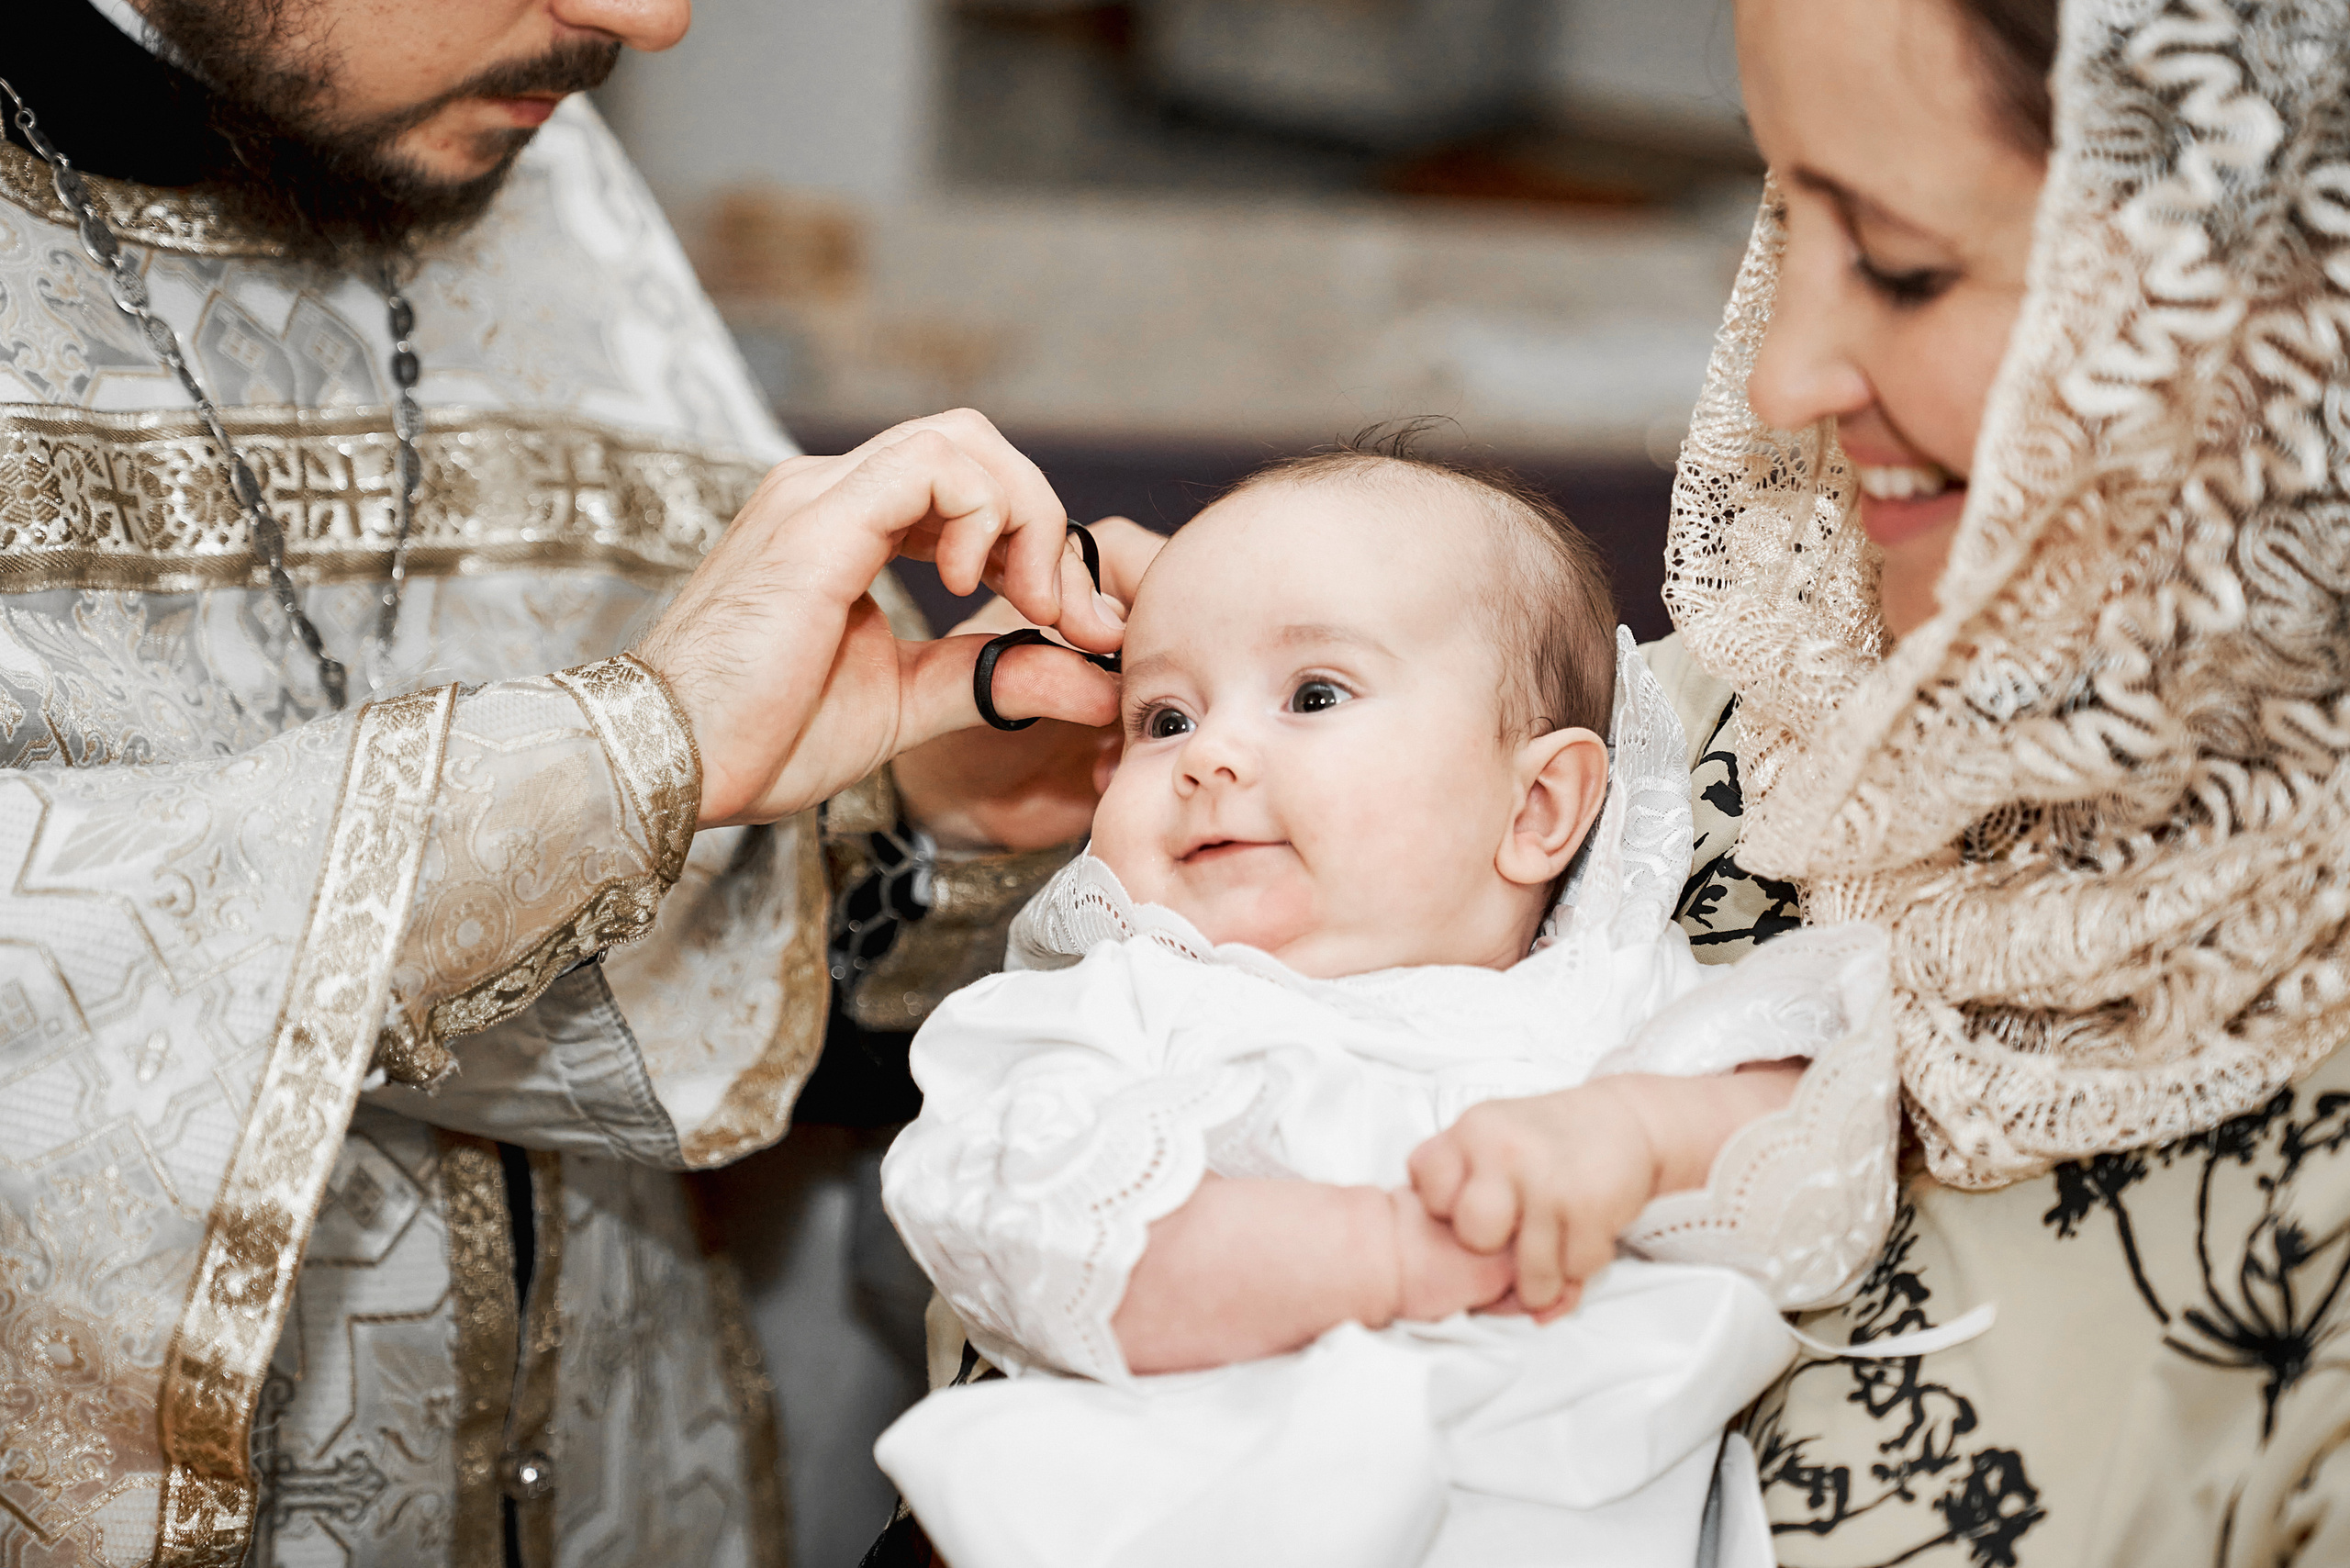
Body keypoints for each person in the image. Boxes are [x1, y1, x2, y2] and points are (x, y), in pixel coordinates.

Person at [0, 4, 1149, 1566]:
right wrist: (629, 754)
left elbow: (713, 976)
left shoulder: (520, 150)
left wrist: (933, 812)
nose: (650, 18)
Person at [1410, 0, 2350, 1561]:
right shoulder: (1761, 695)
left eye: (1902, 263)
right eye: (1781, 213)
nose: (1782, 374)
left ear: (2276, 298)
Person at [872, 450, 1907, 1568]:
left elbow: (1826, 1122)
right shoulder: (1124, 1003)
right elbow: (1029, 1228)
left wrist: (1632, 1136)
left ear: (1539, 806)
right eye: (1162, 718)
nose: (1207, 756)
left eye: (1314, 695)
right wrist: (1394, 1256)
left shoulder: (1613, 990)